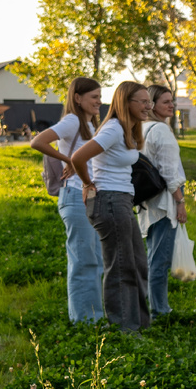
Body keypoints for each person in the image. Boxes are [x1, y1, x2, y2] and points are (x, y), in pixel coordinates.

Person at [69, 81, 153, 333]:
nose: (148, 106)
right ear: (126, 103)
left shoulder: (128, 129)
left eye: (149, 101)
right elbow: (78, 157)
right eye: (143, 101)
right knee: (121, 266)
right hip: (109, 200)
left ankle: (139, 323)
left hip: (123, 201)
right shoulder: (114, 128)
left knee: (138, 263)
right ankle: (124, 328)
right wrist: (87, 184)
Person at [30, 76, 105, 324]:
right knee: (84, 262)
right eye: (94, 97)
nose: (99, 101)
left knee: (94, 260)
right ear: (77, 98)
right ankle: (85, 322)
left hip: (86, 196)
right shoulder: (72, 120)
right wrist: (68, 159)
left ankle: (93, 316)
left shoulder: (87, 124)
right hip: (74, 196)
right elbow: (37, 141)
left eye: (99, 96)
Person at [139, 84, 188, 318]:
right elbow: (170, 173)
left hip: (149, 200)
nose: (171, 105)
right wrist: (180, 202)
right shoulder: (161, 130)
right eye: (165, 102)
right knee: (160, 260)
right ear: (152, 104)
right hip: (164, 203)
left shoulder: (143, 128)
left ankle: (151, 305)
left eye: (172, 101)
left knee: (153, 256)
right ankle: (159, 310)